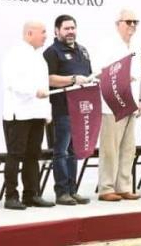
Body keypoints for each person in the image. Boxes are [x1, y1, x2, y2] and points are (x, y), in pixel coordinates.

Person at [1, 21, 55, 210]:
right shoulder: (15, 54)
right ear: (29, 33)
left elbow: (45, 88)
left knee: (33, 155)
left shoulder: (40, 58)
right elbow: (12, 82)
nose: (46, 35)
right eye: (43, 32)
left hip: (36, 113)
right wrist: (34, 91)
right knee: (15, 155)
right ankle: (10, 196)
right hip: (19, 113)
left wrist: (46, 112)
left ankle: (31, 195)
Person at [43, 15, 92, 205]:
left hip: (80, 109)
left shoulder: (83, 50)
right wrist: (73, 79)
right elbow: (48, 79)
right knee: (61, 151)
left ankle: (73, 190)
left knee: (74, 151)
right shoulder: (52, 52)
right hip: (62, 108)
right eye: (66, 28)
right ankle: (62, 192)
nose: (70, 31)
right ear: (57, 31)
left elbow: (87, 75)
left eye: (73, 28)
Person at [95, 9, 141, 202]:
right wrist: (120, 76)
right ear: (118, 24)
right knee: (110, 148)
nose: (132, 25)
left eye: (135, 22)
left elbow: (140, 77)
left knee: (128, 148)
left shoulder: (135, 46)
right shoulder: (107, 44)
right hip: (112, 103)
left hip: (130, 101)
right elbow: (99, 71)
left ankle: (124, 186)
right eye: (128, 22)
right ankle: (106, 187)